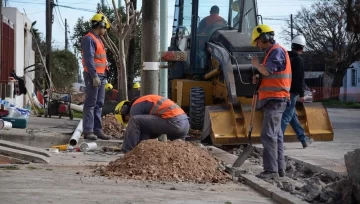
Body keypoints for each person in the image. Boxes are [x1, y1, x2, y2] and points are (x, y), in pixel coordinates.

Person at [250, 24, 292, 179]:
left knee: (268, 135)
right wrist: (259, 77)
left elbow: (267, 70)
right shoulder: (271, 53)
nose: (257, 45)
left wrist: (256, 65)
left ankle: (271, 171)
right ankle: (279, 170)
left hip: (276, 99)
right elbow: (268, 73)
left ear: (264, 37)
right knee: (277, 136)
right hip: (274, 99)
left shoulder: (277, 51)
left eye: (258, 42)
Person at [116, 95, 190, 153]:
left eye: (126, 120)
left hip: (173, 121)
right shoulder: (144, 102)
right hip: (185, 123)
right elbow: (151, 130)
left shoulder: (134, 108)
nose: (129, 123)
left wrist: (136, 149)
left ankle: (127, 152)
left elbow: (143, 134)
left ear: (124, 111)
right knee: (177, 152)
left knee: (134, 120)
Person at [81, 12, 112, 140]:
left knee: (99, 104)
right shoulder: (89, 39)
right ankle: (88, 131)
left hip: (101, 76)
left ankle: (98, 130)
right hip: (93, 76)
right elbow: (89, 60)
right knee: (91, 103)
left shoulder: (98, 39)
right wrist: (94, 76)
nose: (105, 30)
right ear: (100, 25)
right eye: (105, 27)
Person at [281, 35, 314, 148]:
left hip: (282, 89)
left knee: (292, 115)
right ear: (302, 48)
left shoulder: (285, 57)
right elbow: (299, 78)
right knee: (286, 116)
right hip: (293, 92)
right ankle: (277, 141)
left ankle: (303, 139)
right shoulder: (299, 60)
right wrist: (302, 94)